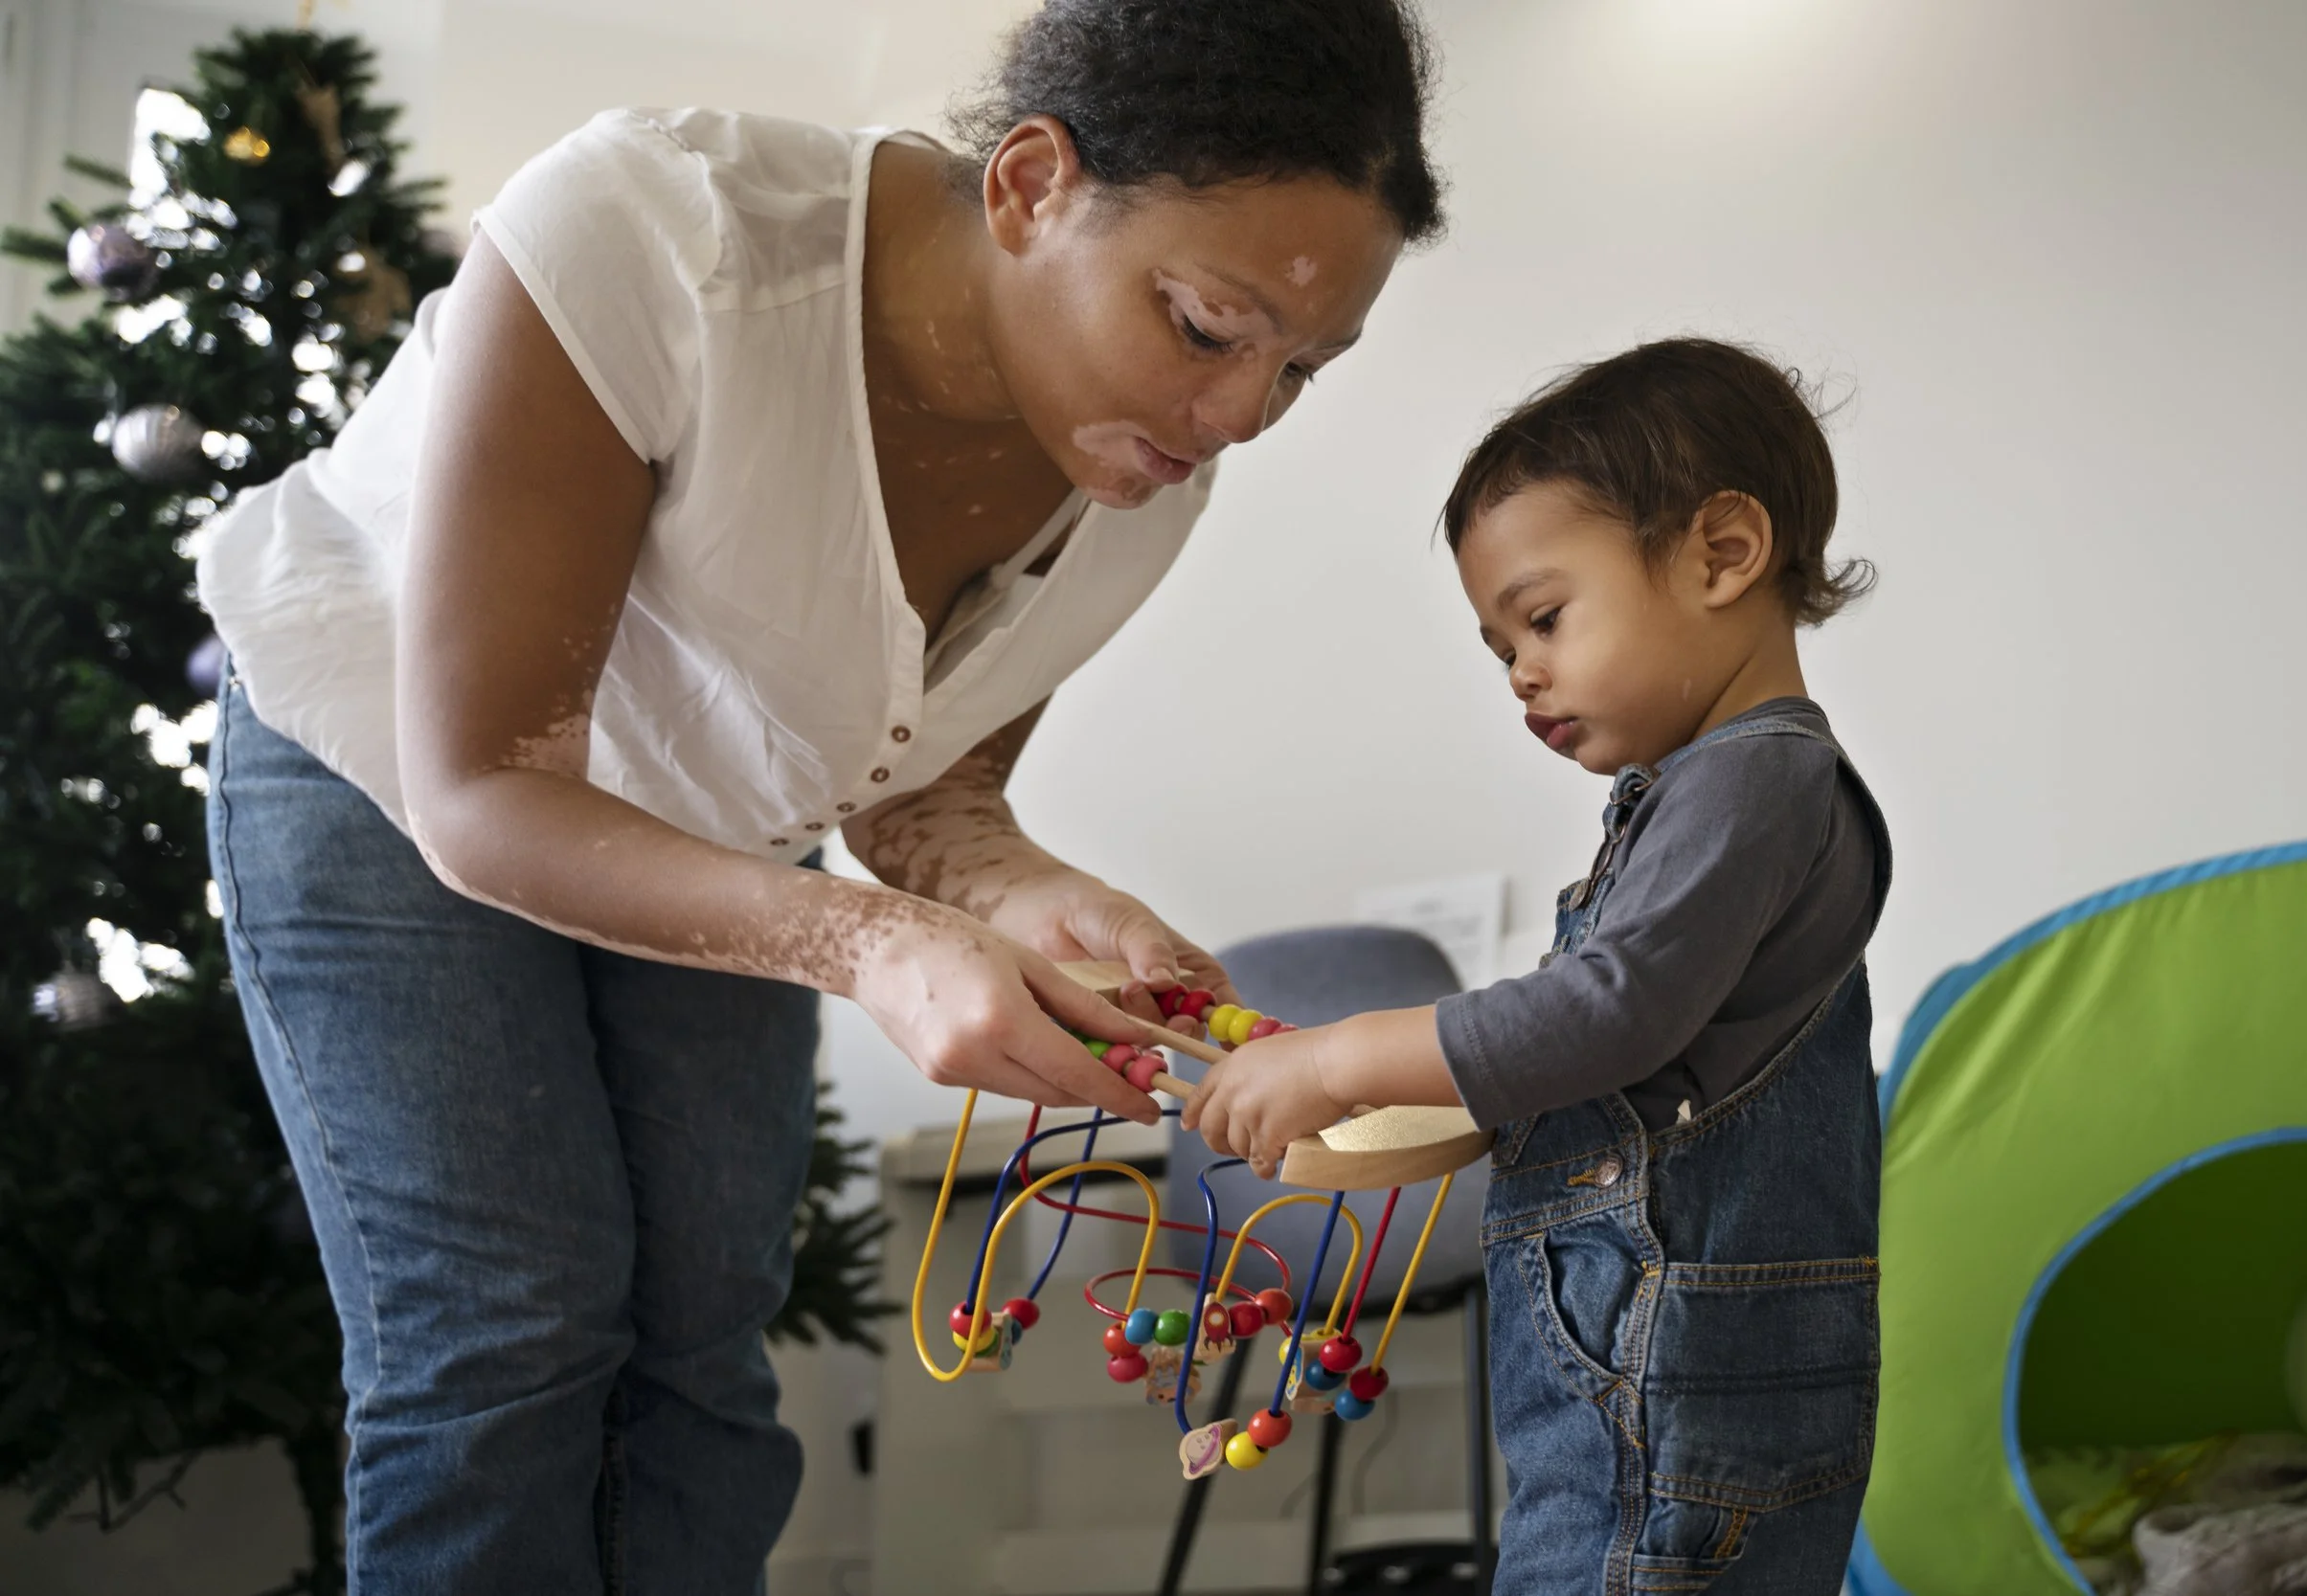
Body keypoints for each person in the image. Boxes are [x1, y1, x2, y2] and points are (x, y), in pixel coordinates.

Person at [194, 3, 1443, 1588]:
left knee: (708, 1338)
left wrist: (1028, 894)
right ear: (1031, 185)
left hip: (708, 830)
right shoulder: (657, 234)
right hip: (382, 761)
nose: (1235, 419)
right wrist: (875, 948)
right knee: (507, 1334)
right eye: (1205, 325)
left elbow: (928, 796)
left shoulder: (1135, 476)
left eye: (1299, 373)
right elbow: (485, 787)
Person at [1182, 339, 1892, 1592]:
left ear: (1723, 553)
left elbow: (1606, 1010)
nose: (1520, 670)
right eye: (1498, 643)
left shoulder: (1752, 776)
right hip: (1663, 1381)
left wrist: (1346, 1052)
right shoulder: (1704, 788)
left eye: (1545, 616)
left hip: (1672, 1390)